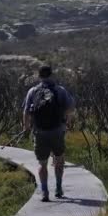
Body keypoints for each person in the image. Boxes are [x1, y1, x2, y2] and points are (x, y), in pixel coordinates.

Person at [22, 65, 75, 202]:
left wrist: (27, 127)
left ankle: (45, 191)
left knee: (42, 164)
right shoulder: (60, 90)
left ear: (39, 76)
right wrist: (67, 123)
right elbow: (70, 109)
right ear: (51, 75)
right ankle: (58, 188)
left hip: (39, 132)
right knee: (59, 160)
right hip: (57, 130)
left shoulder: (33, 91)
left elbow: (26, 112)